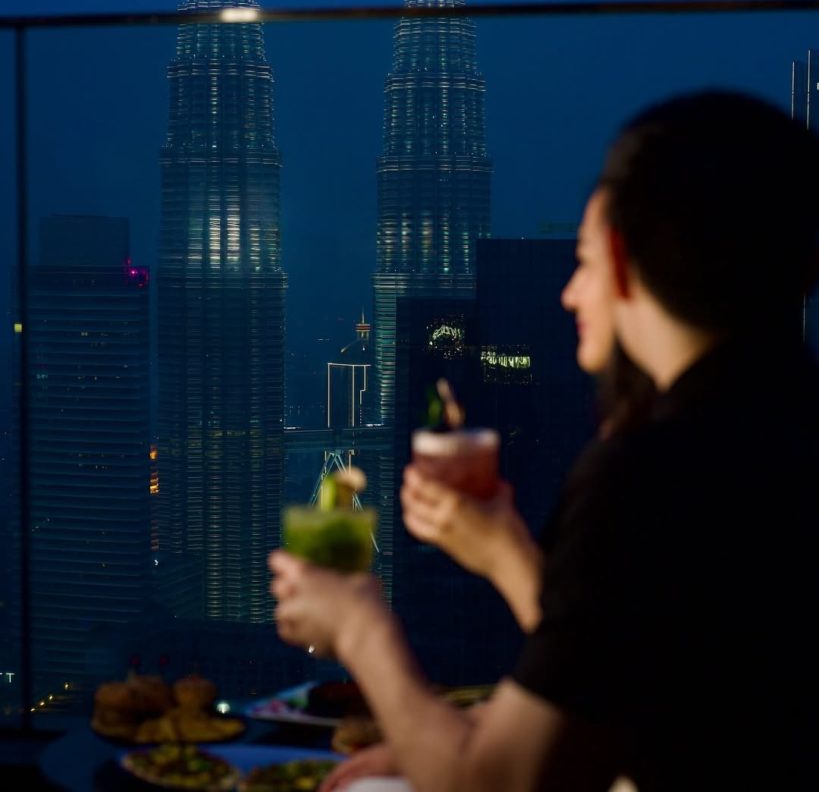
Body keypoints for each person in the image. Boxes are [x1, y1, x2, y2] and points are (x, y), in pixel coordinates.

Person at [270, 89, 819, 792]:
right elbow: (637, 666)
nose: (568, 295)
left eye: (583, 263)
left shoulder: (653, 470)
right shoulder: (776, 424)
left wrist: (356, 624)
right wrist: (506, 555)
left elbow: (499, 783)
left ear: (622, 262)